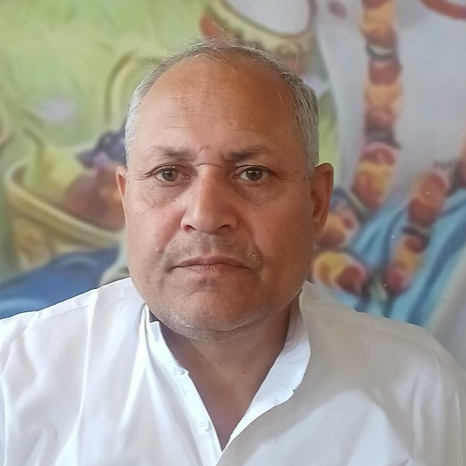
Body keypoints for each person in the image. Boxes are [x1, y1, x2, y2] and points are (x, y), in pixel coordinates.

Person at [0, 40, 465, 466]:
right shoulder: (14, 378)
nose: (205, 215)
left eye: (252, 174)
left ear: (315, 202)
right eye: (168, 174)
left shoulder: (419, 391)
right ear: (126, 197)